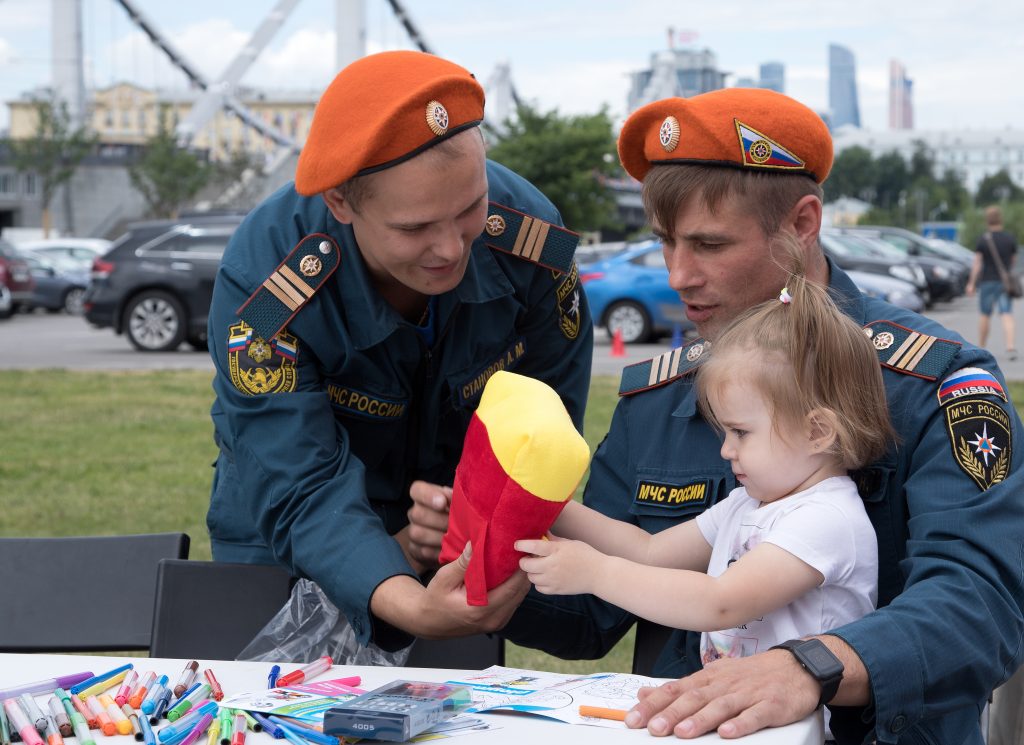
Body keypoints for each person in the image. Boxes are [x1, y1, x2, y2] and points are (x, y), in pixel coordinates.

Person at [411, 87, 1021, 743]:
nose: (677, 274)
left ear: (803, 222)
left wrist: (816, 664)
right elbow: (590, 613)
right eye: (665, 241)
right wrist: (484, 551)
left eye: (707, 243)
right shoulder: (659, 397)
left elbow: (979, 600)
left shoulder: (931, 382)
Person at [205, 50, 593, 653]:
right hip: (288, 529)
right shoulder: (268, 280)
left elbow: (546, 424)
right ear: (341, 203)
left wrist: (472, 517)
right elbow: (295, 475)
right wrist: (404, 597)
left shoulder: (533, 242)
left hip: (456, 538)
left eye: (469, 209)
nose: (449, 248)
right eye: (414, 228)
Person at [515, 263, 891, 686]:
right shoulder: (750, 503)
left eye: (740, 433)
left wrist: (595, 573)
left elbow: (721, 603)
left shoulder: (825, 519)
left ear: (817, 431)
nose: (726, 450)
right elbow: (649, 552)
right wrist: (550, 509)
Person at [966, 205, 1018, 359]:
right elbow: (1013, 260)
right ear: (1000, 219)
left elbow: (977, 264)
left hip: (987, 281)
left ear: (987, 220)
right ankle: (1010, 347)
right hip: (1004, 282)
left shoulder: (983, 239)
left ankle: (981, 347)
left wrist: (971, 284)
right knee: (1006, 313)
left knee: (985, 314)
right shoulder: (1009, 238)